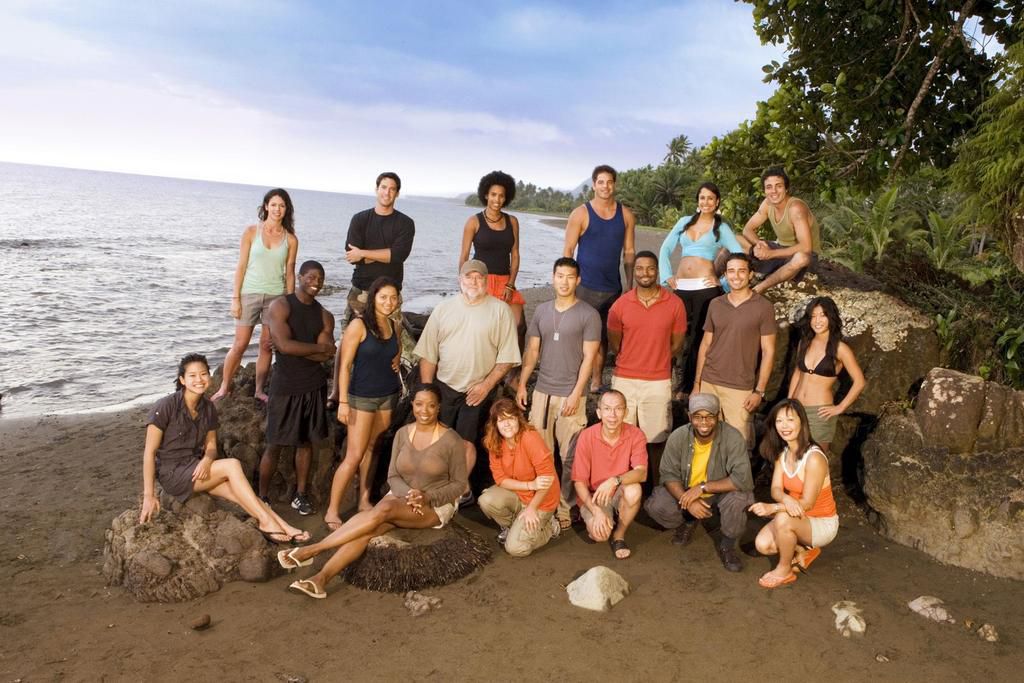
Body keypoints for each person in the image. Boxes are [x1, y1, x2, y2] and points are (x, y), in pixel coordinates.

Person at [280, 384, 468, 599]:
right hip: (401, 498)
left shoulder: (451, 440)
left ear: (439, 407)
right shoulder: (402, 433)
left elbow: (459, 484)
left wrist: (426, 497)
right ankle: (320, 580)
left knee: (384, 508)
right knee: (369, 528)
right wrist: (409, 495)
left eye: (431, 405)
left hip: (433, 506)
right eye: (419, 404)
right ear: (412, 405)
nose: (424, 410)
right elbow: (393, 476)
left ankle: (312, 550)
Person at [140, 353, 309, 544]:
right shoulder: (165, 406)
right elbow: (149, 453)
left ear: (209, 376)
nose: (199, 379)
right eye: (192, 375)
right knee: (232, 465)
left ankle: (284, 526)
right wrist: (149, 495)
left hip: (196, 468)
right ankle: (265, 521)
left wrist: (207, 460)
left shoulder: (208, 408)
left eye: (203, 374)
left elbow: (211, 446)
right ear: (182, 380)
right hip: (172, 474)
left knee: (239, 493)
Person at [414, 259, 521, 495]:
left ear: (486, 281)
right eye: (468, 277)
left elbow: (507, 357)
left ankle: (459, 490)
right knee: (436, 437)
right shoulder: (444, 309)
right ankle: (434, 483)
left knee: (466, 442)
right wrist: (427, 391)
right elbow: (429, 354)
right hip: (445, 385)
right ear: (459, 280)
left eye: (479, 277)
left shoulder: (500, 311)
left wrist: (486, 385)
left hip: (478, 388)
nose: (473, 281)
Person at [516, 256, 600, 527]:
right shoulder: (542, 311)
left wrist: (576, 393)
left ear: (578, 280)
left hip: (570, 394)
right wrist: (522, 383)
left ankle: (565, 509)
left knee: (568, 457)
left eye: (570, 277)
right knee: (540, 455)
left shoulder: (588, 314)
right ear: (553, 278)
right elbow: (532, 351)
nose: (564, 282)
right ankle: (543, 505)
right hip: (542, 392)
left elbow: (589, 358)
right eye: (560, 276)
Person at [328, 172, 414, 407]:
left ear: (397, 193)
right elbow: (351, 256)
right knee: (348, 339)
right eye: (384, 187)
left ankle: (386, 388)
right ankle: (337, 391)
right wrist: (383, 255)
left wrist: (365, 253)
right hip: (361, 290)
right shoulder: (360, 219)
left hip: (390, 294)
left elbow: (398, 255)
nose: (387, 192)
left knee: (391, 339)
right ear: (377, 189)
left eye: (392, 189)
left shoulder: (405, 223)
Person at [323, 276, 402, 530]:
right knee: (354, 455)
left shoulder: (394, 324)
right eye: (383, 297)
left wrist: (397, 359)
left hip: (388, 395)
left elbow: (395, 350)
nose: (389, 302)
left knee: (373, 448)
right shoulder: (359, 325)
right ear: (373, 298)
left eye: (393, 298)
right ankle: (332, 510)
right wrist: (343, 401)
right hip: (361, 398)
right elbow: (345, 365)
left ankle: (364, 500)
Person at [258, 260, 336, 516]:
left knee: (305, 444)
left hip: (313, 385)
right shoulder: (281, 305)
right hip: (285, 385)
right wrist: (316, 348)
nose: (316, 282)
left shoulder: (325, 315)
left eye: (320, 278)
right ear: (300, 277)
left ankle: (300, 496)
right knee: (274, 444)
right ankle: (262, 497)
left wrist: (295, 347)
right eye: (311, 277)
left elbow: (324, 355)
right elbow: (284, 345)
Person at [643, 394, 754, 572]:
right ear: (689, 417)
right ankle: (689, 520)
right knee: (657, 505)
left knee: (740, 499)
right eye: (698, 417)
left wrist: (703, 487)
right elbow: (668, 474)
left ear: (718, 416)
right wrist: (688, 501)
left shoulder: (733, 437)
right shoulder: (678, 436)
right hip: (687, 491)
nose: (704, 422)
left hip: (721, 493)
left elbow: (742, 479)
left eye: (710, 416)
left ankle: (728, 545)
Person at [658, 182, 745, 396]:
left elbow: (739, 255)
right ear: (698, 200)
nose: (706, 202)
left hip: (705, 289)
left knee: (698, 339)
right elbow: (665, 249)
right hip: (681, 287)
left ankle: (688, 388)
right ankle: (662, 381)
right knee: (672, 334)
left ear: (717, 202)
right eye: (702, 197)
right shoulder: (684, 222)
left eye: (710, 198)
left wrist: (723, 282)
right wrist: (667, 276)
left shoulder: (721, 228)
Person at [212, 189, 298, 403]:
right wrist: (235, 298)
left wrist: (290, 303)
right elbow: (241, 266)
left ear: (286, 209)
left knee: (266, 344)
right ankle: (224, 387)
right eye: (274, 204)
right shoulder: (251, 232)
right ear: (266, 206)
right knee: (240, 344)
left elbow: (289, 272)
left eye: (282, 205)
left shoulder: (290, 239)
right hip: (249, 293)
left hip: (276, 297)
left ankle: (259, 390)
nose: (277, 209)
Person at [749, 399, 839, 588]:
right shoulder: (783, 454)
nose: (784, 426)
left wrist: (773, 508)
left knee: (782, 519)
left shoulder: (814, 458)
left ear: (802, 422)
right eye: (779, 421)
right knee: (763, 545)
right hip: (794, 515)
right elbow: (775, 490)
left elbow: (807, 503)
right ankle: (803, 550)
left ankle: (784, 570)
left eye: (790, 420)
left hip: (821, 522)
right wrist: (786, 499)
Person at [563, 165, 637, 391]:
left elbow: (629, 252)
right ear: (594, 185)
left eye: (609, 182)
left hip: (612, 288)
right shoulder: (580, 213)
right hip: (584, 286)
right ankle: (572, 379)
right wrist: (567, 282)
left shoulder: (626, 215)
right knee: (577, 334)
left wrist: (629, 284)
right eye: (601, 182)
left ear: (615, 185)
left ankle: (596, 380)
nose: (606, 186)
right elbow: (568, 250)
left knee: (602, 336)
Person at [694, 253, 777, 449]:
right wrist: (697, 384)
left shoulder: (764, 307)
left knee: (739, 446)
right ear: (725, 274)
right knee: (705, 442)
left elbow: (768, 351)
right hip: (709, 383)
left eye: (741, 271)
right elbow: (705, 344)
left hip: (740, 387)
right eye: (731, 271)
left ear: (750, 274)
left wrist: (759, 391)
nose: (736, 276)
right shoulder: (715, 304)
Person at [607, 251, 686, 455]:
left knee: (657, 439)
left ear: (657, 271)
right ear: (633, 271)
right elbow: (615, 344)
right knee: (621, 437)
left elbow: (677, 344)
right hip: (624, 379)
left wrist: (656, 359)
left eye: (650, 268)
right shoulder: (620, 305)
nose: (645, 273)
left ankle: (655, 477)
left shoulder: (674, 304)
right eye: (640, 268)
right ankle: (624, 476)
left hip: (658, 381)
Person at [478, 399, 562, 556]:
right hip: (519, 493)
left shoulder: (530, 438)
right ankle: (514, 527)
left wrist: (532, 508)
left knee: (515, 548)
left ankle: (550, 527)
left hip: (541, 501)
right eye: (501, 420)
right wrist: (530, 485)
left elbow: (547, 479)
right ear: (495, 424)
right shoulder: (494, 441)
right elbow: (500, 479)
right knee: (486, 499)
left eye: (511, 418)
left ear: (518, 419)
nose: (507, 424)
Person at [571, 389, 647, 559]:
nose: (612, 415)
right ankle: (603, 517)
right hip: (595, 496)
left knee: (634, 490)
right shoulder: (586, 436)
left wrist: (614, 480)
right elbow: (579, 482)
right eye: (607, 409)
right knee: (600, 535)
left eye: (618, 409)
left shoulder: (636, 434)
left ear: (625, 412)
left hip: (618, 489)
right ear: (599, 413)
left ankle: (619, 535)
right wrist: (596, 511)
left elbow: (641, 473)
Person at [788, 297, 867, 453]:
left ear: (831, 317)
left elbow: (860, 382)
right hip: (796, 408)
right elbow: (798, 373)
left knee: (817, 458)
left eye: (822, 315)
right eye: (813, 316)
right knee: (792, 457)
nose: (817, 320)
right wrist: (789, 402)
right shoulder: (804, 342)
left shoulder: (840, 349)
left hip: (820, 413)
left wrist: (840, 408)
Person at [739, 166, 821, 293]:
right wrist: (759, 244)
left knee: (801, 258)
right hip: (780, 249)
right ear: (764, 190)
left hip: (802, 255)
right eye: (769, 187)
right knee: (736, 239)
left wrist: (771, 254)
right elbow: (747, 229)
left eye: (778, 186)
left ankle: (759, 288)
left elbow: (806, 247)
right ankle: (712, 284)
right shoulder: (767, 203)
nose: (774, 191)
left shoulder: (796, 208)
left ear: (786, 188)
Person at [459, 170, 525, 328]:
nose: (497, 199)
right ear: (486, 195)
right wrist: (464, 285)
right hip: (480, 280)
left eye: (501, 196)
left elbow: (515, 255)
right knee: (483, 327)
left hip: (505, 281)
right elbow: (464, 257)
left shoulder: (513, 221)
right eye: (493, 194)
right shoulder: (473, 222)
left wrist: (510, 284)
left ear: (506, 198)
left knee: (518, 326)